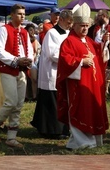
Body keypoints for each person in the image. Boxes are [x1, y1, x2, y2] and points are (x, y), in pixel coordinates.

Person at [56, 3, 109, 150]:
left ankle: (89, 140)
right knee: (81, 110)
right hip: (77, 85)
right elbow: (65, 60)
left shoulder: (89, 41)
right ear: (74, 25)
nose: (85, 28)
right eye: (82, 26)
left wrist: (104, 42)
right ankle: (82, 142)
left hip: (91, 85)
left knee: (92, 111)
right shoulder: (69, 42)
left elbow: (99, 54)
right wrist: (80, 61)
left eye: (87, 25)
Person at [0, 4, 34, 148]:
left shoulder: (25, 33)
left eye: (24, 14)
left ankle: (11, 137)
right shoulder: (4, 30)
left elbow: (29, 49)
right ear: (12, 15)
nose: (22, 16)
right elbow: (0, 51)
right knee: (11, 102)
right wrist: (15, 60)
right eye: (19, 14)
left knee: (19, 104)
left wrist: (28, 59)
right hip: (8, 69)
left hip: (21, 70)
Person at [31, 10, 73, 139]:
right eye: (68, 22)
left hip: (65, 73)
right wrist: (71, 59)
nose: (70, 25)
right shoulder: (52, 33)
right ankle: (51, 130)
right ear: (61, 20)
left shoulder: (69, 33)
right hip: (52, 72)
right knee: (51, 102)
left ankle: (63, 128)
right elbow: (53, 54)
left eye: (71, 23)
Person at [25, 23, 41, 101]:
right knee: (25, 80)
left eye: (33, 30)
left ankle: (34, 96)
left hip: (33, 62)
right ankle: (27, 96)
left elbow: (38, 51)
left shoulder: (35, 40)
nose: (32, 31)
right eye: (30, 30)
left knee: (34, 79)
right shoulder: (24, 39)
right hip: (25, 61)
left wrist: (35, 56)